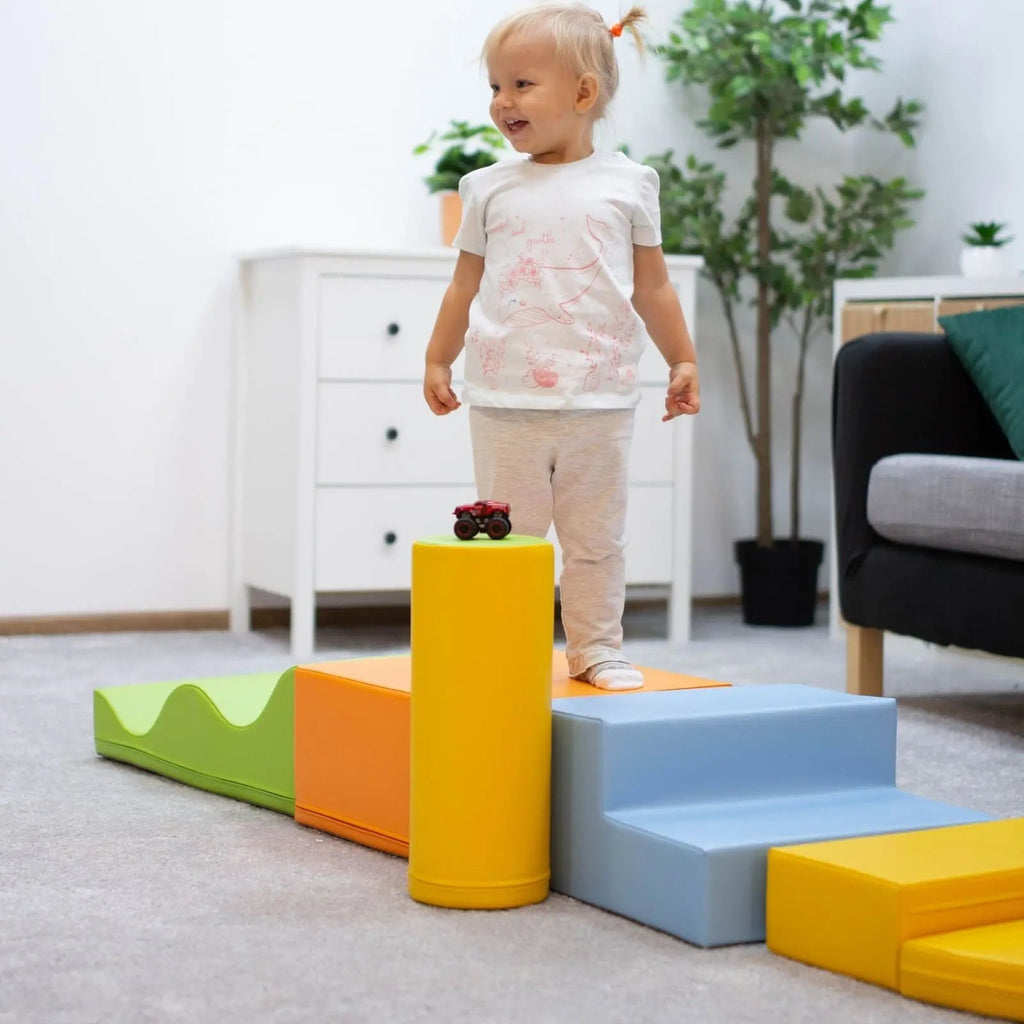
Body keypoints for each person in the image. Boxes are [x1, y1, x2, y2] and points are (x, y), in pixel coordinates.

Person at [422, 2, 699, 690]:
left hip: (599, 402)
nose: (502, 101)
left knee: (595, 543)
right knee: (507, 546)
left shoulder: (630, 184)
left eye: (521, 84)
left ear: (583, 93)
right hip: (505, 401)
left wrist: (683, 358)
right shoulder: (486, 189)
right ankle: (504, 652)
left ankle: (597, 648)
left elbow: (654, 289)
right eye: (495, 86)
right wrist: (437, 357)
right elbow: (464, 287)